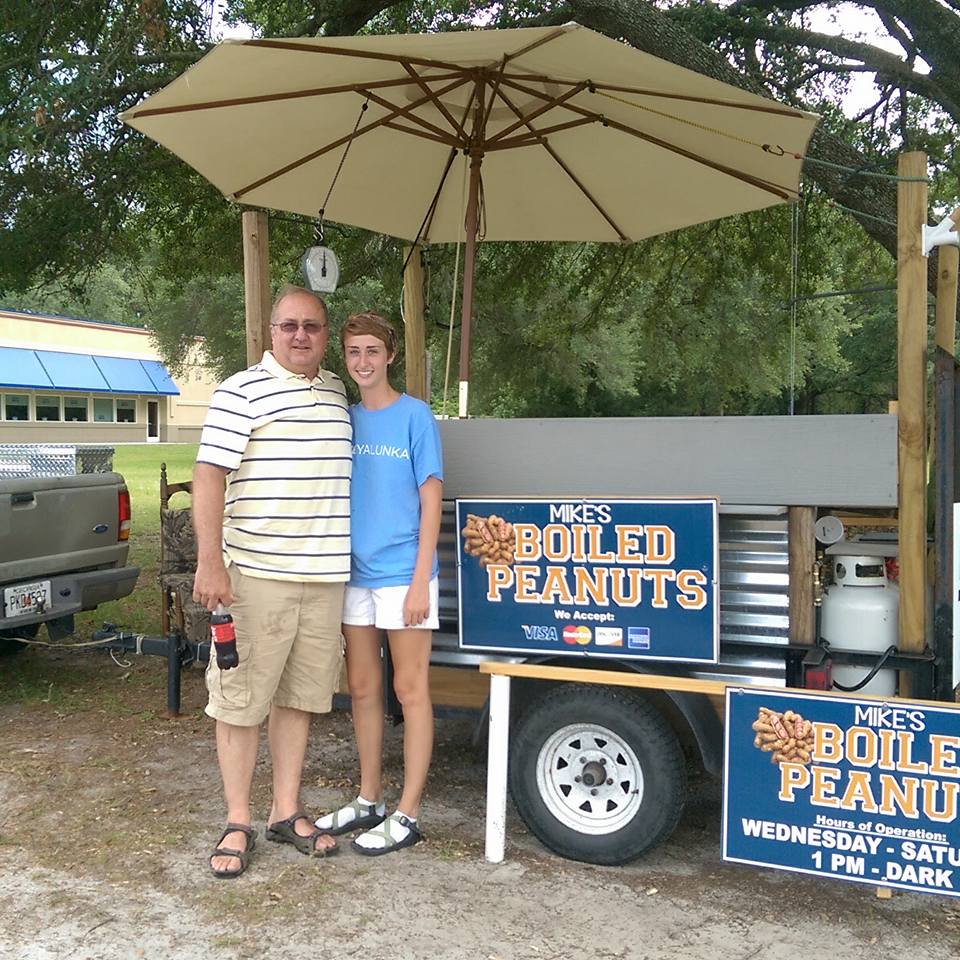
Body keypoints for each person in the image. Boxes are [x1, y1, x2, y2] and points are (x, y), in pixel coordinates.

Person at [194, 284, 351, 878]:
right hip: (256, 577)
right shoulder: (240, 392)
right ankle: (238, 821)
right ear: (270, 330)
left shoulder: (336, 390)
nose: (301, 335)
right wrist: (212, 562)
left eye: (312, 326)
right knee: (239, 703)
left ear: (325, 334)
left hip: (324, 576)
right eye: (290, 325)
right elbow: (208, 476)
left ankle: (286, 812)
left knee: (299, 699)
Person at [314, 311, 442, 856]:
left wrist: (419, 581)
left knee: (409, 692)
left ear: (389, 355)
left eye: (372, 351)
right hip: (353, 575)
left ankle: (408, 811)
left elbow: (431, 498)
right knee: (363, 690)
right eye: (353, 352)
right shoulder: (344, 419)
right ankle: (369, 799)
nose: (362, 361)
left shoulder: (415, 417)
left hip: (404, 576)